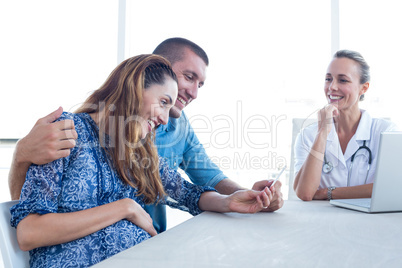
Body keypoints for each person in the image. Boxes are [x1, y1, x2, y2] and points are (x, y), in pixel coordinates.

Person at [10, 54, 273, 267]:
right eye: (163, 102)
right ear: (134, 87)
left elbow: (189, 194)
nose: (165, 118)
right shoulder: (67, 132)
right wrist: (124, 207)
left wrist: (230, 201)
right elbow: (29, 233)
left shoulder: (138, 151)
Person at [293, 49, 398, 201]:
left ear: (364, 88)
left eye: (343, 80)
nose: (332, 87)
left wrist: (327, 193)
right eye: (328, 79)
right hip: (321, 223)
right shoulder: (308, 135)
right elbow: (305, 193)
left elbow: (390, 187)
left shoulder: (385, 132)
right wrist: (322, 132)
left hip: (370, 223)